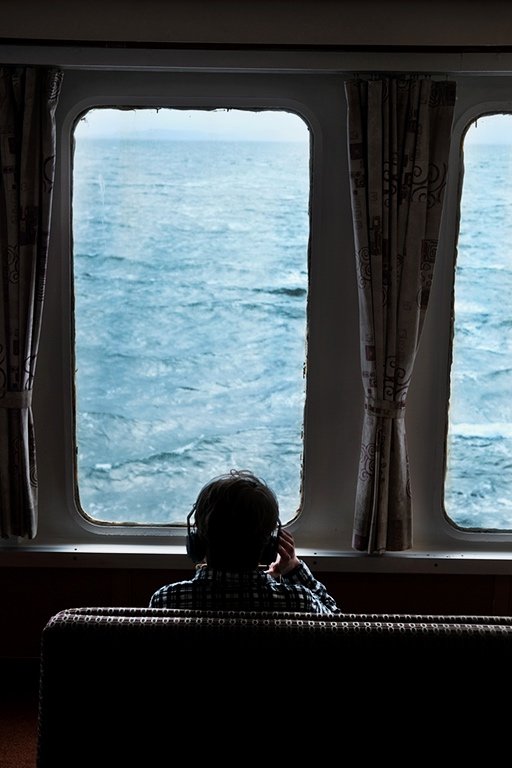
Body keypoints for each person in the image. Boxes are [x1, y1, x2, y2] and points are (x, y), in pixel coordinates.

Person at [149, 469, 341, 616]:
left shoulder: (166, 601)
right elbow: (337, 624)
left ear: (197, 540)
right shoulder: (300, 602)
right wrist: (294, 569)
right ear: (269, 546)